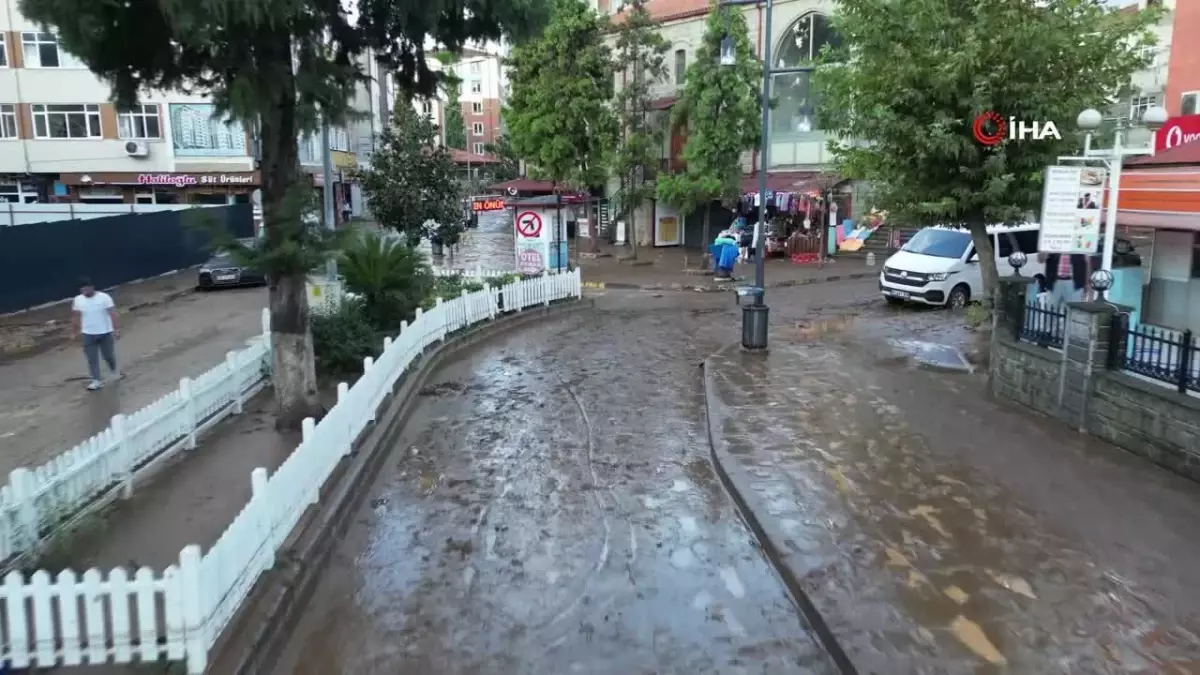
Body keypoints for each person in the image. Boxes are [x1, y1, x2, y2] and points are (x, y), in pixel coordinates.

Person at [72, 278, 120, 391]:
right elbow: (75, 316)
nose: (85, 290)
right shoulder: (78, 300)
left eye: (87, 288)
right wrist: (74, 332)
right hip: (88, 334)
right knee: (92, 359)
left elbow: (112, 313)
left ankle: (114, 371)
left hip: (105, 332)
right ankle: (96, 380)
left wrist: (116, 329)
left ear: (92, 287)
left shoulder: (104, 297)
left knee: (108, 356)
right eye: (83, 289)